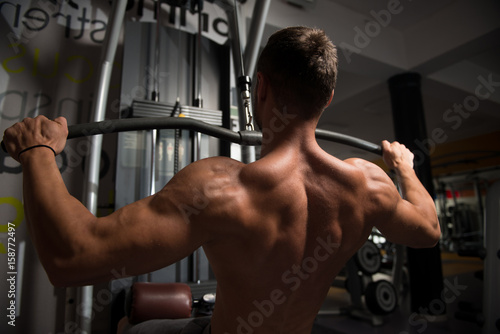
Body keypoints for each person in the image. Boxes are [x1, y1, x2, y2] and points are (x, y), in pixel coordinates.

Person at [2, 26, 440, 334]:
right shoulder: (367, 185)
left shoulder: (222, 187)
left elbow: (72, 258)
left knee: (128, 327)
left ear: (261, 89)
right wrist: (404, 167)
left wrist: (37, 151)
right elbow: (428, 230)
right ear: (326, 98)